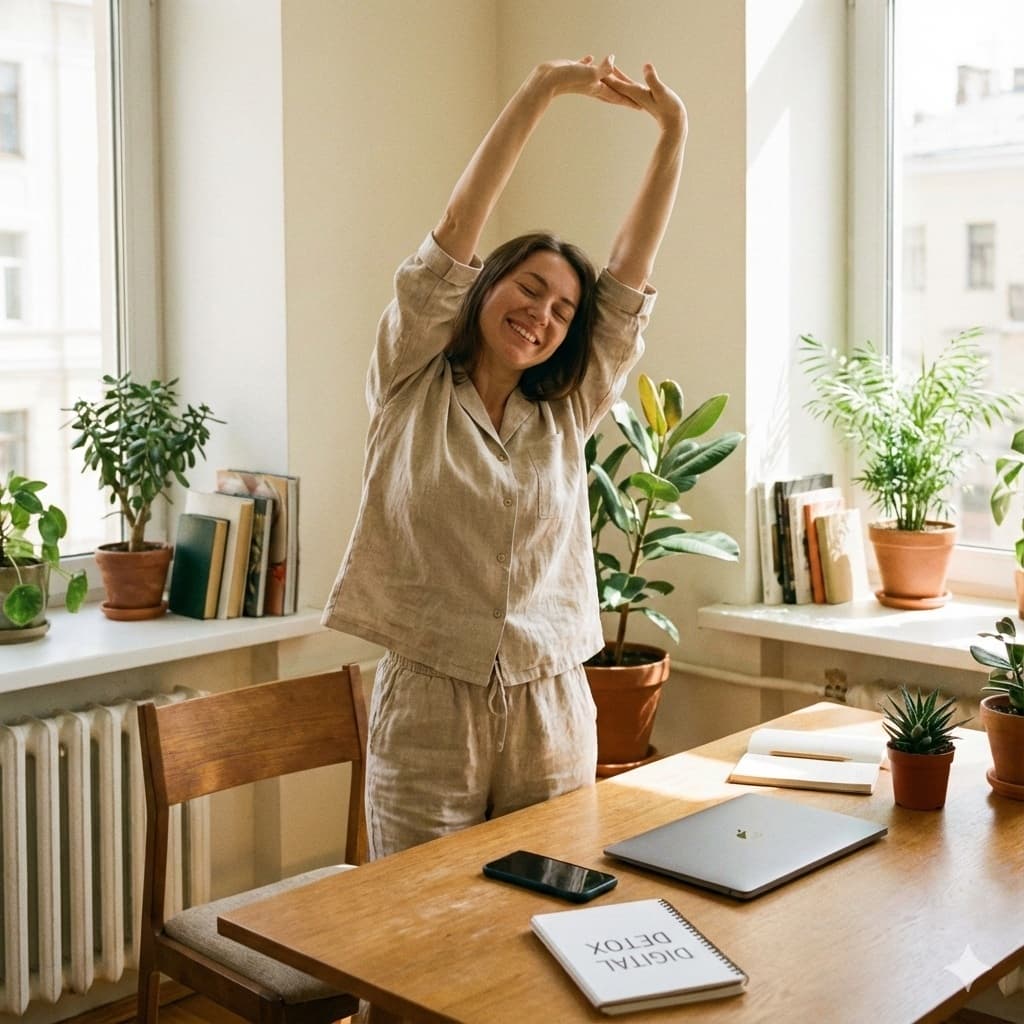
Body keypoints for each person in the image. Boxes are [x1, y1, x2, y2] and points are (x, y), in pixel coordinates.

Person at [323, 54, 686, 861]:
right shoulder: (408, 380)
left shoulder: (569, 407)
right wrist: (542, 90)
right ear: (487, 286)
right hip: (427, 697)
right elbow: (452, 234)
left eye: (562, 309)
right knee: (416, 934)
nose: (542, 315)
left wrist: (673, 133)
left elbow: (627, 286)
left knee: (546, 923)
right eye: (529, 288)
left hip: (551, 698)